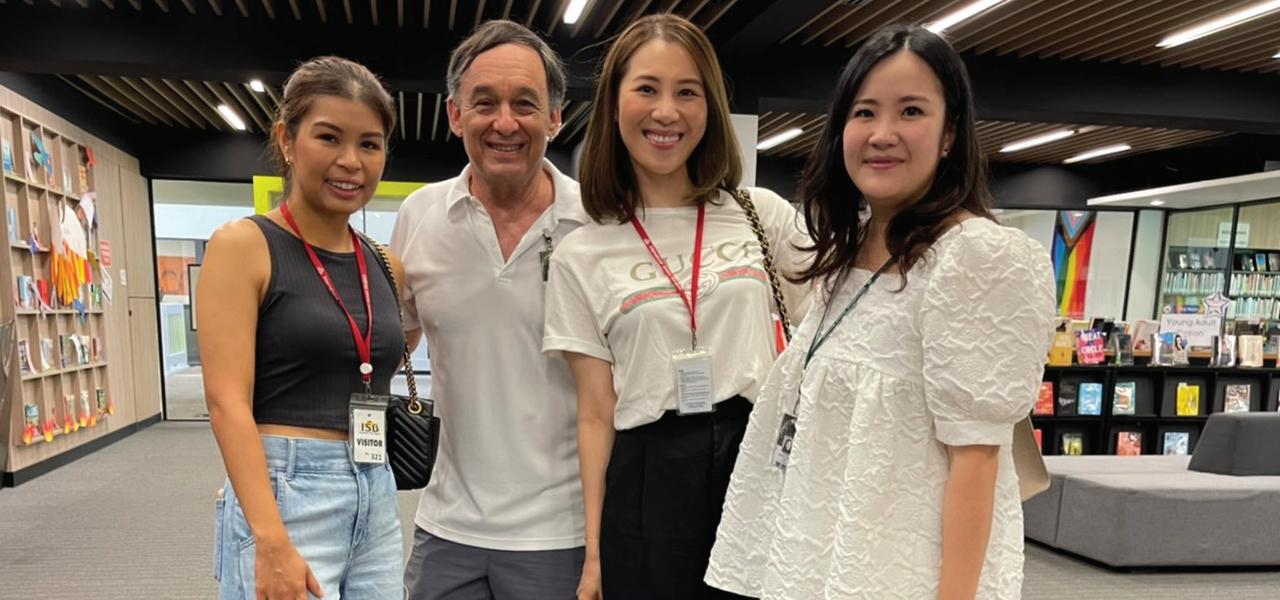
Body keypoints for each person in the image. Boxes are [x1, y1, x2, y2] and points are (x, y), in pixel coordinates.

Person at [706, 24, 1057, 600]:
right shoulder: (848, 246)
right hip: (818, 555)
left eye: (911, 111)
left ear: (949, 134)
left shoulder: (977, 257)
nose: (882, 134)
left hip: (900, 572)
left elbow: (976, 460)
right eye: (864, 112)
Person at [542, 14, 811, 600]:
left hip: (754, 457)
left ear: (709, 107)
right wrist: (594, 553)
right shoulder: (581, 252)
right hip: (647, 478)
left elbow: (826, 331)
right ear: (614, 104)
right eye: (647, 89)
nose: (666, 112)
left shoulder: (761, 215)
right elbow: (595, 413)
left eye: (687, 92)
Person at [390, 20, 587, 600]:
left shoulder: (597, 222)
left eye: (525, 103)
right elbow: (394, 338)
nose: (505, 123)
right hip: (445, 525)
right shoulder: (420, 214)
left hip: (560, 531)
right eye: (484, 103)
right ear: (455, 115)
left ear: (555, 117)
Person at [200, 56, 405, 600]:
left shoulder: (385, 264)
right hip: (286, 491)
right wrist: (268, 538)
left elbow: (381, 355)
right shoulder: (244, 246)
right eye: (329, 137)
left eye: (369, 144)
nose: (350, 162)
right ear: (287, 140)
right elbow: (226, 403)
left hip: (375, 488)